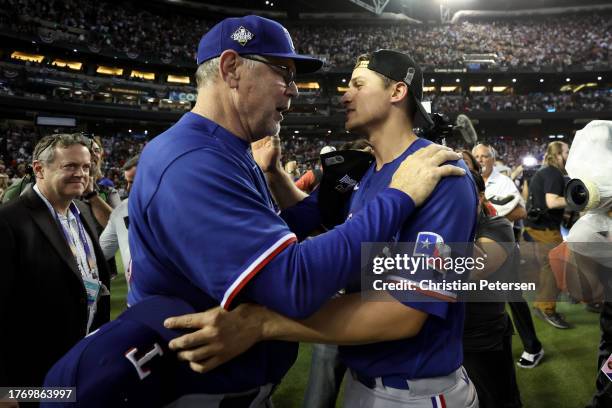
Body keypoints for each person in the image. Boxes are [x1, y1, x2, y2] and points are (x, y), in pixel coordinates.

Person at [164, 49, 478, 407]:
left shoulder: (440, 174)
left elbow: (403, 314)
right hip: (363, 381)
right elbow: (306, 216)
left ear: (397, 92)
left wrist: (262, 323)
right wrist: (274, 172)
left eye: (358, 85)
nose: (345, 95)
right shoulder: (359, 169)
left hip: (417, 391)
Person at [0, 133, 111, 389]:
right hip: (30, 376)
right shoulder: (9, 221)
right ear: (39, 169)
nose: (81, 173)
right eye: (70, 166)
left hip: (79, 363)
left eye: (85, 167)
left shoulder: (82, 211)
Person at [472, 144, 544, 368]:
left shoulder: (503, 181)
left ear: (493, 160)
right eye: (477, 157)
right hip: (478, 248)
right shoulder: (467, 181)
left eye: (485, 156)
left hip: (504, 247)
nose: (481, 160)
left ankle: (533, 346)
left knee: (513, 297)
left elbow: (521, 211)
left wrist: (489, 212)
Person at [464, 169, 522, 408]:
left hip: (483, 335)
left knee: (499, 400)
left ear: (479, 197)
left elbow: (474, 268)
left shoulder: (496, 225)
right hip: (448, 334)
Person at [525, 141, 571, 329]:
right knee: (554, 269)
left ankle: (541, 304)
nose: (570, 154)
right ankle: (546, 309)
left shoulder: (545, 171)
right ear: (558, 154)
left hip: (536, 228)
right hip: (545, 231)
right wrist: (575, 200)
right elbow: (551, 202)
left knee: (547, 269)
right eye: (567, 151)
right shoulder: (553, 173)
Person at [100, 154, 139, 284]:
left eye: (133, 182)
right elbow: (101, 252)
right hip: (137, 300)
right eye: (127, 182)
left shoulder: (176, 209)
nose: (128, 188)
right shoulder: (122, 210)